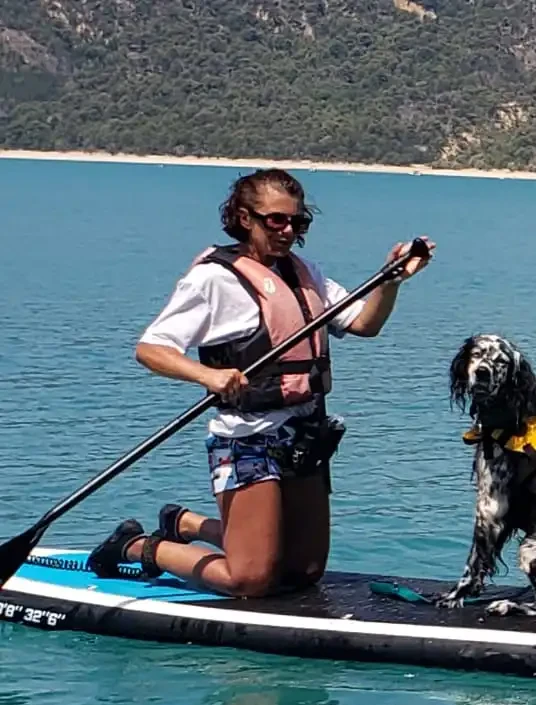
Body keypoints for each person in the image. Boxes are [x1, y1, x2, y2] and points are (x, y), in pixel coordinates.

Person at [85, 168, 433, 596]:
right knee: (250, 580)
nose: (288, 230)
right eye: (276, 220)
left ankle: (186, 523)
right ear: (244, 217)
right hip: (247, 437)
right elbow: (152, 348)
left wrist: (392, 278)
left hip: (304, 433)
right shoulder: (214, 278)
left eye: (297, 221)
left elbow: (364, 323)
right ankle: (138, 546)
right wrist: (207, 374)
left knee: (303, 571)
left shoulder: (307, 274)